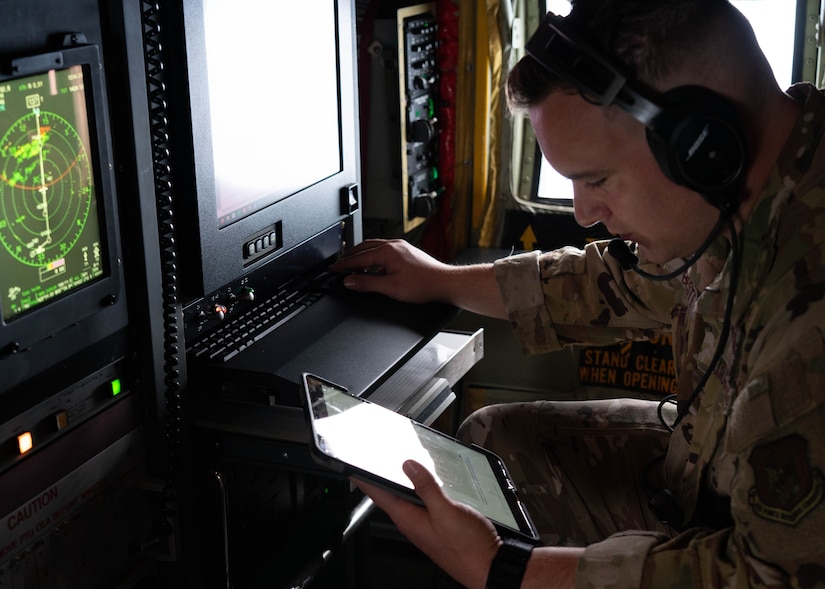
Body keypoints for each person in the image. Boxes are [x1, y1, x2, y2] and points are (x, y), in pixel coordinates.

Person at [330, 0, 825, 587]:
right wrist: (437, 277)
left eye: (595, 180)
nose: (586, 213)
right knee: (492, 448)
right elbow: (613, 283)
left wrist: (508, 571)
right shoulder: (742, 194)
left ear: (699, 148)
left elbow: (773, 579)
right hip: (704, 471)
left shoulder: (809, 332)